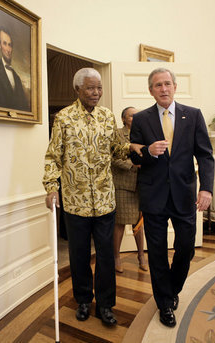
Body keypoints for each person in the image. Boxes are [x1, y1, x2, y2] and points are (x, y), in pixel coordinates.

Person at [43, 67, 143, 326]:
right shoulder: (63, 118)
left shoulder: (108, 117)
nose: (96, 92)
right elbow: (53, 156)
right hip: (75, 203)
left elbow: (115, 151)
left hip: (105, 200)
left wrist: (131, 148)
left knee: (107, 255)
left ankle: (106, 305)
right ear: (77, 90)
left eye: (99, 87)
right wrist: (51, 187)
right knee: (78, 256)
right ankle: (84, 300)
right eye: (90, 88)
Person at [129, 67, 214, 327]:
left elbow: (205, 155)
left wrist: (206, 189)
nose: (163, 89)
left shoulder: (194, 115)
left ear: (175, 87)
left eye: (167, 84)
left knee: (186, 246)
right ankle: (164, 303)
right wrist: (148, 151)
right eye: (158, 85)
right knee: (156, 252)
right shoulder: (141, 119)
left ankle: (172, 287)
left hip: (184, 193)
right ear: (151, 90)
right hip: (153, 194)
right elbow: (133, 154)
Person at [112, 106, 148, 273]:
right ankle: (116, 257)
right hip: (123, 185)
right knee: (120, 223)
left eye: (136, 115)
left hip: (142, 185)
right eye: (131, 116)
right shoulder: (117, 134)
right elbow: (112, 159)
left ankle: (141, 256)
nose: (135, 118)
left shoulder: (144, 133)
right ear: (124, 119)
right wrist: (131, 165)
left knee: (138, 223)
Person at [0, 27, 29, 111]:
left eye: (10, 45)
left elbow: (24, 107)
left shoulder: (16, 77)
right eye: (5, 44)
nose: (8, 49)